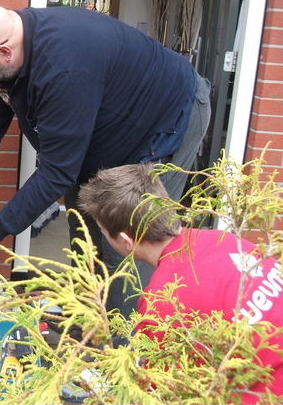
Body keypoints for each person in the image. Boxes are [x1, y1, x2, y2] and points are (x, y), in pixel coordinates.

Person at [0, 3, 211, 282]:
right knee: (86, 242)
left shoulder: (64, 67)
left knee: (130, 247)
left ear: (4, 52)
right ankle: (87, 320)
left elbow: (57, 173)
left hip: (166, 120)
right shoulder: (9, 52)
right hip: (103, 135)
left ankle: (126, 325)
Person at [78, 163, 283, 401]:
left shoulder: (164, 299)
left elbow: (169, 392)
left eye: (103, 231)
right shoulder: (222, 239)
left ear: (126, 240)